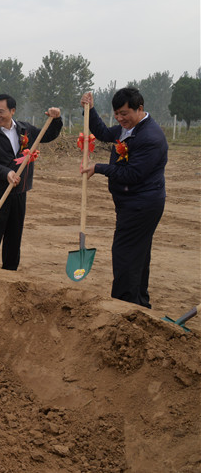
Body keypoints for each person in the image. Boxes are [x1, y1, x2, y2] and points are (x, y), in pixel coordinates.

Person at [80, 88, 167, 309]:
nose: (120, 119)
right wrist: (89, 110)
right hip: (132, 202)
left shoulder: (150, 138)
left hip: (142, 205)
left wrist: (99, 167)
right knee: (137, 255)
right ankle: (139, 304)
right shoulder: (129, 128)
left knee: (125, 255)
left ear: (140, 108)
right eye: (116, 114)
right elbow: (103, 133)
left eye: (124, 113)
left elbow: (133, 174)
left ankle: (122, 307)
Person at [0, 94, 62, 270]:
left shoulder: (25, 130)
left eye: (1, 111)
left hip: (18, 192)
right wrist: (6, 172)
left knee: (14, 236)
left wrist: (56, 119)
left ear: (12, 111)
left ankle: (10, 273)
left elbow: (48, 135)